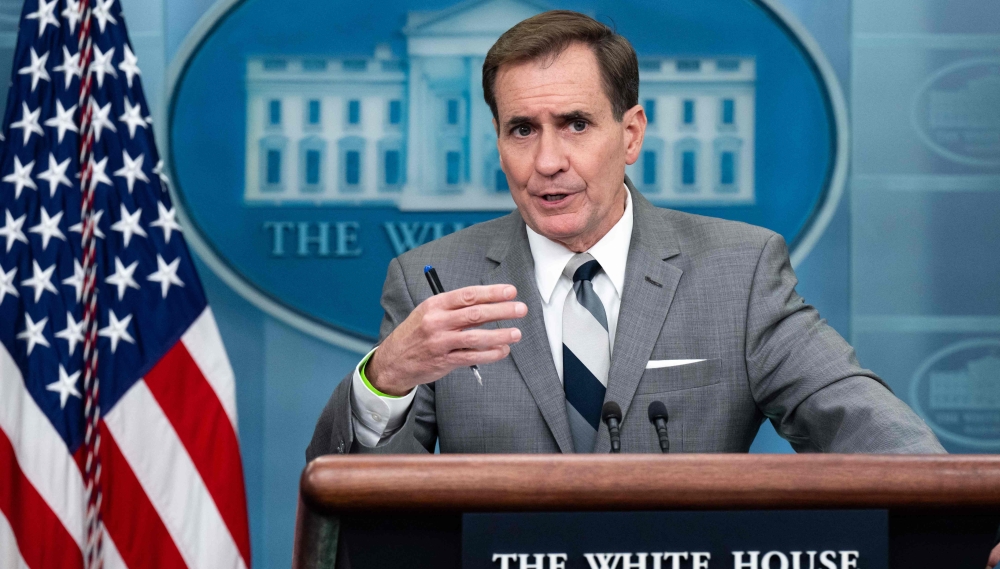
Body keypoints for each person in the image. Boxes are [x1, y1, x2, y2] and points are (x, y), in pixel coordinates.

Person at [307, 11, 946, 460]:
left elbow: (845, 409)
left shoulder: (739, 271)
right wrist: (381, 379)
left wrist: (951, 500)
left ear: (632, 134)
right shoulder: (433, 278)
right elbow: (365, 490)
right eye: (522, 129)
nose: (548, 160)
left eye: (576, 124)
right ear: (498, 143)